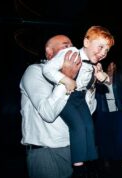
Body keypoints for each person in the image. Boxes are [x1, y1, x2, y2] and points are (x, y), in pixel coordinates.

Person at [42, 26, 114, 172]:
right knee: (78, 126)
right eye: (100, 47)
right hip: (67, 96)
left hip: (80, 97)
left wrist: (102, 77)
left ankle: (89, 160)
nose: (103, 53)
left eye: (106, 51)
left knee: (89, 126)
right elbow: (47, 69)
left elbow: (108, 81)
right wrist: (65, 79)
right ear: (86, 42)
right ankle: (78, 165)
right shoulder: (71, 53)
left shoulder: (95, 65)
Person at [20, 34, 82, 178]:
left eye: (73, 46)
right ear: (49, 52)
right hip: (45, 152)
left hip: (69, 148)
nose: (72, 49)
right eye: (66, 46)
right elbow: (47, 113)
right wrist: (66, 78)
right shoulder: (36, 71)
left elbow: (86, 113)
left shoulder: (75, 76)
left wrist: (90, 86)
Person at [93, 61, 122, 170]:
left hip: (119, 111)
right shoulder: (100, 77)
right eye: (110, 65)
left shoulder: (119, 80)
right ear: (107, 67)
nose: (111, 68)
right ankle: (106, 158)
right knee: (106, 136)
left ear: (116, 68)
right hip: (104, 112)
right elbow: (94, 93)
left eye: (114, 66)